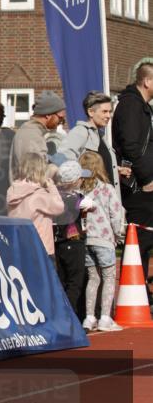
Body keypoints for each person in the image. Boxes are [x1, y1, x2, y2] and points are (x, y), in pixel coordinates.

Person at [112, 62, 153, 301]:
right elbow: (130, 145)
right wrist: (146, 178)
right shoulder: (130, 106)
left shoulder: (142, 107)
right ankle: (136, 295)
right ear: (147, 81)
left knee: (146, 240)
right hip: (138, 186)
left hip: (144, 181)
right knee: (142, 241)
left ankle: (142, 292)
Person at [79, 150, 126, 332]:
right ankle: (105, 317)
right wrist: (118, 234)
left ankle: (89, 317)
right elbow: (116, 214)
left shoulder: (79, 190)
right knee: (108, 277)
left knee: (93, 277)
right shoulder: (107, 189)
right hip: (104, 239)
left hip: (85, 240)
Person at [52, 157, 94, 316]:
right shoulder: (77, 199)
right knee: (75, 282)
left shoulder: (54, 196)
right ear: (76, 181)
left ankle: (62, 315)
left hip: (58, 243)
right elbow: (91, 205)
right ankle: (70, 317)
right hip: (74, 243)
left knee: (62, 281)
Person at [58, 91, 124, 188]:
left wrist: (115, 169)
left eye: (110, 112)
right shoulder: (80, 132)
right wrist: (84, 180)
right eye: (104, 111)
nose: (108, 116)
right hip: (91, 199)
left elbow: (96, 166)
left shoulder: (100, 135)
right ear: (91, 112)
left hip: (106, 199)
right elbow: (62, 159)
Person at [6, 152, 64, 259]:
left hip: (19, 245)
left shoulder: (13, 190)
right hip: (41, 247)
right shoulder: (39, 195)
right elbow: (59, 207)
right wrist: (52, 188)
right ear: (41, 170)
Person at [10, 91, 66, 180]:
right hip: (29, 193)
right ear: (48, 114)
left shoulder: (33, 132)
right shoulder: (31, 135)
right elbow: (34, 176)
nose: (61, 122)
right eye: (60, 118)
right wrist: (55, 167)